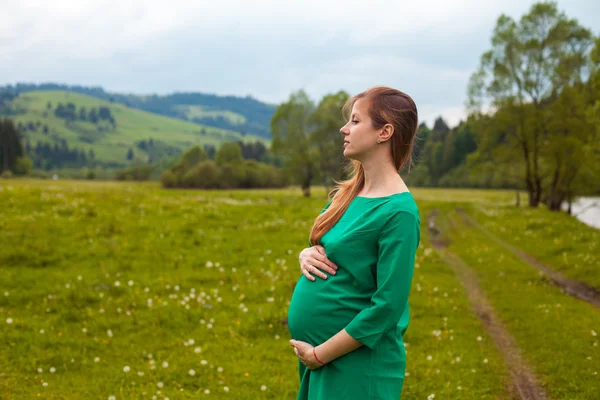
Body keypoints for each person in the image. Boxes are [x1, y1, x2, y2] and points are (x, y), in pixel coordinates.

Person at [287, 86, 421, 400]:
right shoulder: (348, 194)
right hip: (322, 360)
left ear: (384, 132)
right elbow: (323, 247)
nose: (344, 129)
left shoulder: (399, 212)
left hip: (357, 365)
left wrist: (321, 354)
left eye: (356, 121)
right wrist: (305, 254)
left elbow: (387, 307)